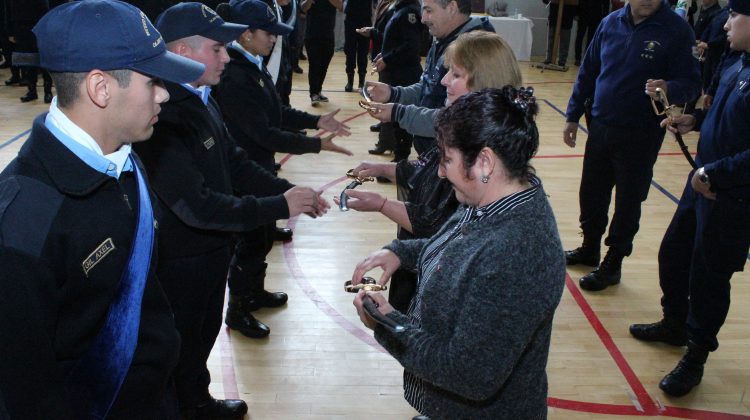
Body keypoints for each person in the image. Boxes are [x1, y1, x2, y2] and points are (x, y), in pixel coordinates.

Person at [0, 0, 206, 418]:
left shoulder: (125, 161)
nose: (165, 94)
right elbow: (25, 389)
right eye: (153, 81)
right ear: (101, 88)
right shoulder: (24, 222)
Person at [135, 3, 329, 418]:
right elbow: (196, 206)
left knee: (202, 333)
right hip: (180, 258)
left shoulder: (202, 99)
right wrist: (278, 204)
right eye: (217, 48)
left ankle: (197, 399)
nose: (226, 56)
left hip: (210, 250)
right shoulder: (163, 117)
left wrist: (288, 190)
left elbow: (236, 162)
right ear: (183, 53)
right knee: (179, 340)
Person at [350, 87, 566, 417]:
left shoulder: (518, 252)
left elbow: (468, 374)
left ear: (484, 162)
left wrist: (386, 323)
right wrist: (401, 252)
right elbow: (458, 249)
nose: (439, 171)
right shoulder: (491, 200)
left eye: (447, 159)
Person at [338, 31, 522, 311]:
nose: (444, 81)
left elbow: (437, 227)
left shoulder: (478, 151)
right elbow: (426, 167)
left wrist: (382, 204)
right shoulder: (463, 128)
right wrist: (383, 169)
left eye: (455, 75)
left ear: (483, 82)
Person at [629, 0, 750, 398]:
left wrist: (714, 173)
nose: (726, 23)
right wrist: (692, 121)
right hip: (701, 182)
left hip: (730, 195)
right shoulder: (737, 63)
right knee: (674, 254)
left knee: (709, 276)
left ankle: (696, 354)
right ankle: (674, 323)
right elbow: (723, 118)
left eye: (735, 16)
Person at [213, 0, 351, 339]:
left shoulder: (251, 65)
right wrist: (316, 144)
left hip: (258, 164)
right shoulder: (234, 77)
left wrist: (317, 120)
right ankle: (238, 309)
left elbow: (278, 112)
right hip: (243, 171)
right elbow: (263, 132)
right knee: (249, 241)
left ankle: (254, 293)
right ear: (245, 34)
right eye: (268, 33)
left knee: (260, 238)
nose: (274, 39)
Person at [563, 0, 701, 292]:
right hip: (600, 126)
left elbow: (691, 83)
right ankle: (590, 248)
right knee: (591, 193)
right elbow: (588, 71)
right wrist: (572, 115)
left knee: (628, 200)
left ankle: (613, 261)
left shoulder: (677, 30)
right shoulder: (609, 23)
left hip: (641, 134)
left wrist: (670, 88)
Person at [364, 0, 494, 156]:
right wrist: (394, 93)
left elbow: (458, 120)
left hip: (456, 160)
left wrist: (398, 113)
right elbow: (428, 86)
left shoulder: (477, 49)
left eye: (429, 11)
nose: (423, 19)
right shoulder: (443, 38)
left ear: (452, 8)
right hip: (436, 155)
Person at [362, 0, 424, 162]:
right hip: (397, 71)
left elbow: (411, 46)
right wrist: (384, 55)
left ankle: (400, 158)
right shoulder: (400, 9)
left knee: (402, 119)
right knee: (396, 120)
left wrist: (388, 58)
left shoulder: (409, 12)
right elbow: (396, 40)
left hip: (404, 73)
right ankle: (397, 154)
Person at [304, 0, 342, 105]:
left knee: (324, 66)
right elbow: (302, 8)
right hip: (312, 35)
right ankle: (313, 94)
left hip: (328, 35)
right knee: (314, 65)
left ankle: (318, 91)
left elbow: (341, 6)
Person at [343, 0, 371, 92]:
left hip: (365, 17)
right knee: (350, 50)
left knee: (363, 51)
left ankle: (361, 82)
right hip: (351, 17)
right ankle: (350, 81)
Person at [542, 0, 578, 67]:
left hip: (568, 15)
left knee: (565, 40)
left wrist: (576, 13)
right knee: (551, 38)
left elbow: (576, 2)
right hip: (554, 14)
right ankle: (549, 58)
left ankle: (562, 61)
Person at [574, 0, 609, 66]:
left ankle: (587, 58)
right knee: (580, 36)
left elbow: (606, 3)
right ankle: (577, 58)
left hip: (595, 14)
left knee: (591, 38)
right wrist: (576, 13)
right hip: (583, 12)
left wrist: (605, 17)